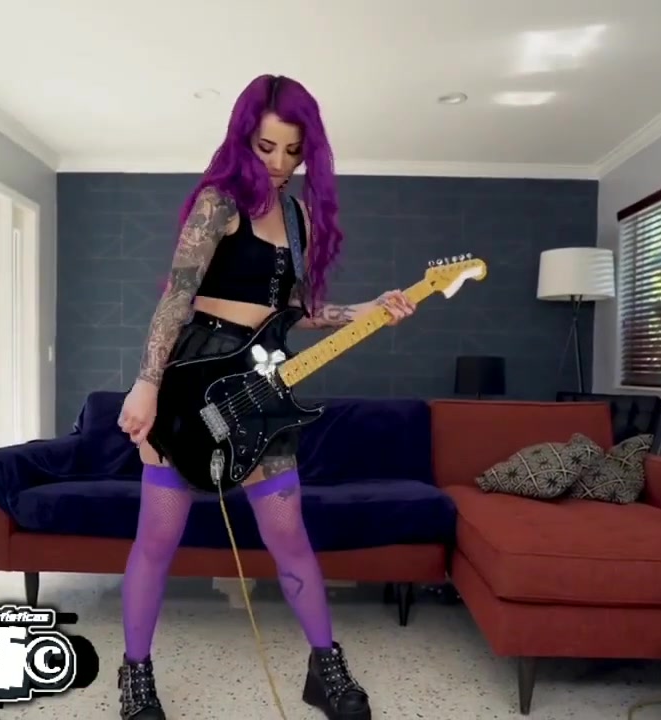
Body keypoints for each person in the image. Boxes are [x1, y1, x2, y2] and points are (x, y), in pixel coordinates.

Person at [114, 74, 416, 720]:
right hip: (190, 382)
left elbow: (294, 312)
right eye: (267, 146)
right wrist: (146, 383)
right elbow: (176, 298)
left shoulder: (299, 217)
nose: (280, 163)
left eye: (294, 151)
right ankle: (135, 674)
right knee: (157, 539)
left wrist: (366, 309)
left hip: (260, 385)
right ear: (243, 138)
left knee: (288, 533)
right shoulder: (219, 202)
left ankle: (325, 668)